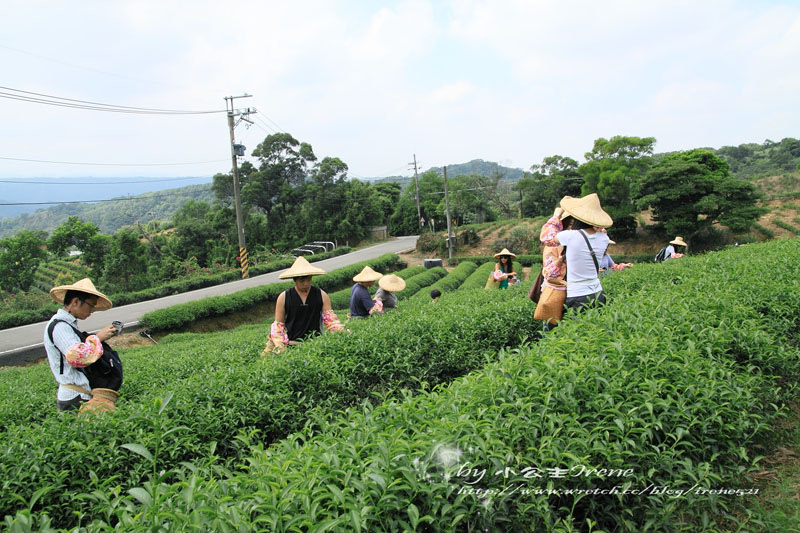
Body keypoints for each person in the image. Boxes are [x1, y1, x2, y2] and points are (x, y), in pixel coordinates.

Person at [44, 278, 121, 411]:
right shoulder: (60, 327)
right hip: (74, 398)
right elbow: (78, 357)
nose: (92, 310)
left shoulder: (68, 325)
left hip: (80, 395)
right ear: (75, 302)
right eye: (91, 305)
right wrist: (98, 338)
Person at [541, 193, 613, 313]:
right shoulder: (604, 238)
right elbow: (599, 231)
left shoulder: (571, 236)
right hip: (598, 293)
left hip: (577, 296)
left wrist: (556, 215)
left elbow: (546, 238)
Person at [262, 256, 344, 355]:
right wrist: (280, 346)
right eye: (302, 281)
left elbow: (331, 320)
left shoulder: (321, 295)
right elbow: (278, 325)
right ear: (295, 280)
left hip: (316, 344)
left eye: (309, 280)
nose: (306, 283)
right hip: (292, 345)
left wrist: (341, 333)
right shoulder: (284, 297)